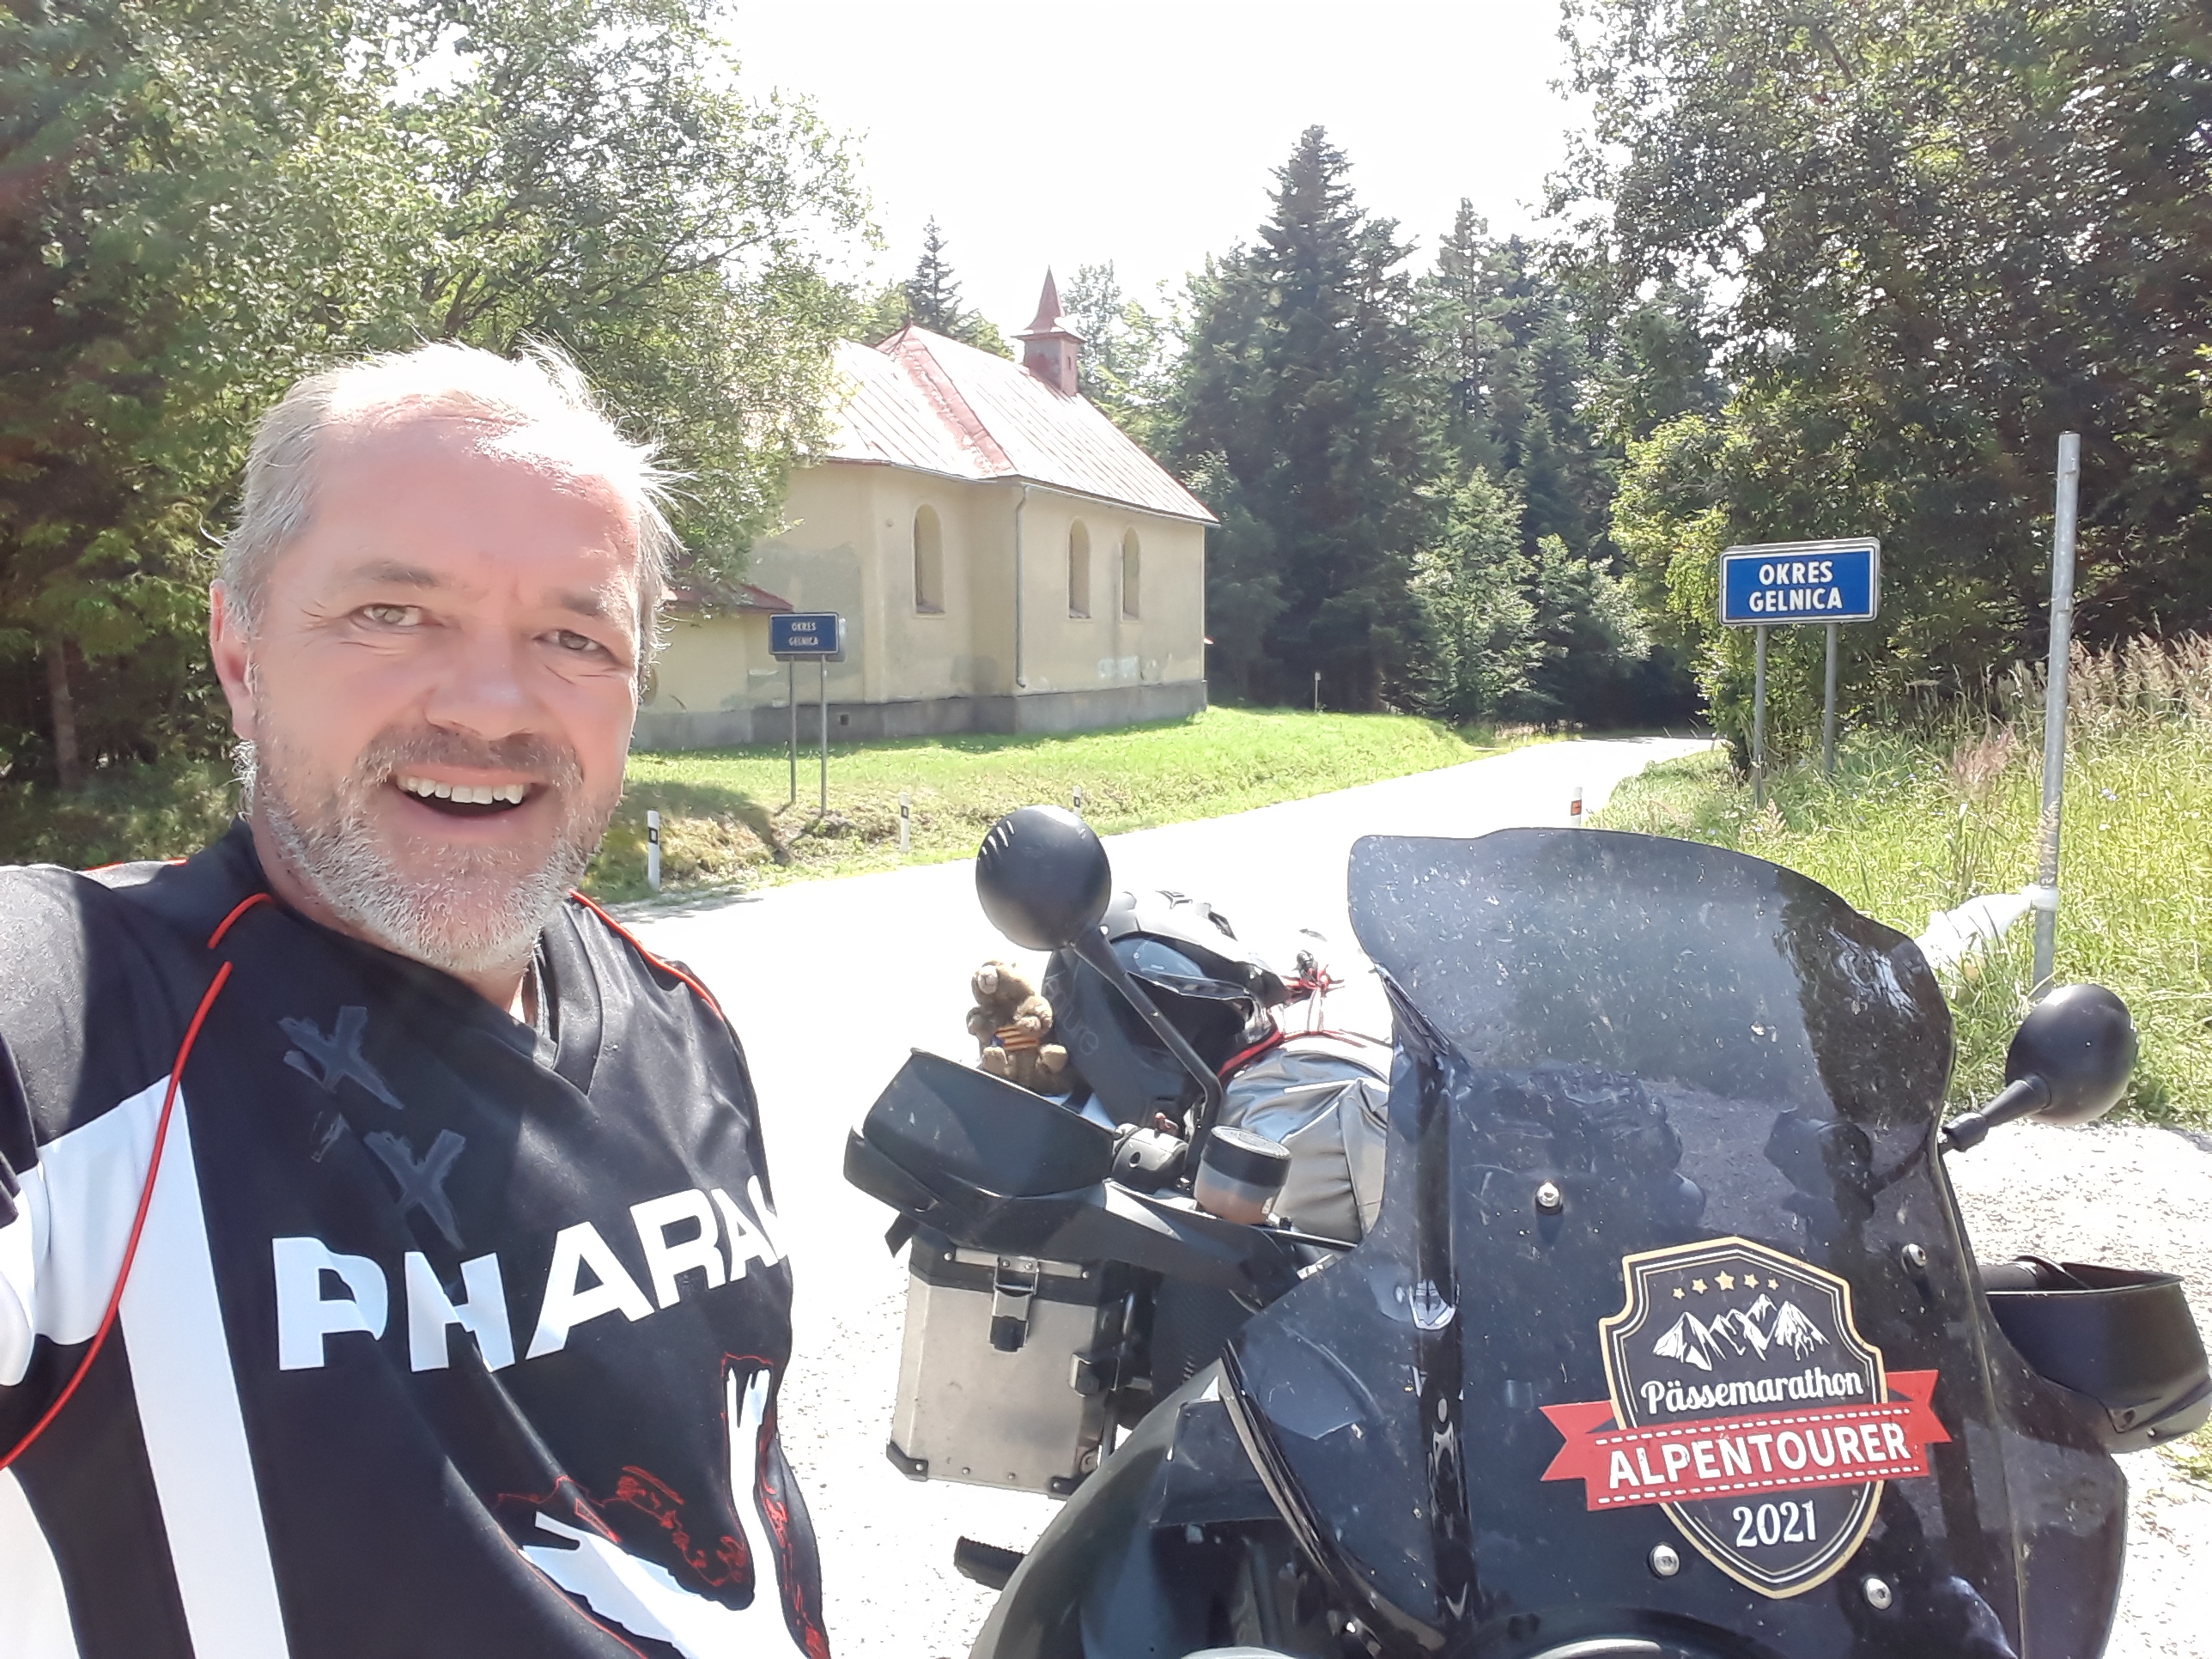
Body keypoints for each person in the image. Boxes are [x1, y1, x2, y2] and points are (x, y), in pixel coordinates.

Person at [0, 342, 830, 1658]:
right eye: (393, 613)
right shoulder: (74, 1031)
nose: (492, 709)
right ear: (240, 651)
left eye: (574, 637)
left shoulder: (681, 1022)